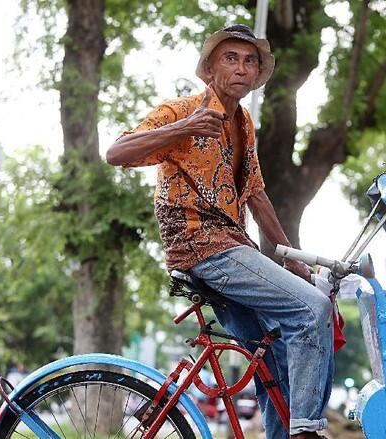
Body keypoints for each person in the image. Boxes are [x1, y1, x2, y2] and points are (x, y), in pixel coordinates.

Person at [106, 24, 333, 439]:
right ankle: (306, 431)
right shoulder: (181, 110)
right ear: (210, 69)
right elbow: (116, 152)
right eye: (231, 58)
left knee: (274, 351)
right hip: (200, 247)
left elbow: (257, 197)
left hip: (233, 247)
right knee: (311, 309)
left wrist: (296, 263)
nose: (242, 68)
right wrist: (184, 128)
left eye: (250, 61)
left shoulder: (244, 123)